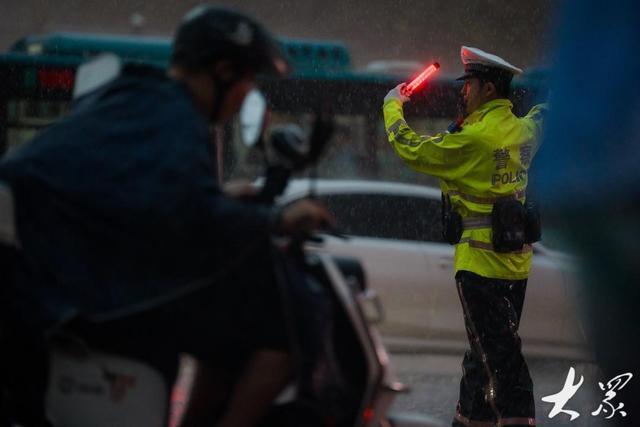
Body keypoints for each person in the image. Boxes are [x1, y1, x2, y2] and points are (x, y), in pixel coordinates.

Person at [0, 6, 333, 427]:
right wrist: (276, 220)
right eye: (247, 80)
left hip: (46, 275)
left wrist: (225, 198)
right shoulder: (172, 117)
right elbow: (187, 215)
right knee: (276, 331)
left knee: (224, 333)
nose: (247, 94)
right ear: (223, 70)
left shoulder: (142, 99)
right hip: (58, 291)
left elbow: (142, 191)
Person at [383, 46, 547, 427]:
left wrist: (392, 105)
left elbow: (410, 147)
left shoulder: (471, 141)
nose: (463, 91)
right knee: (482, 358)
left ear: (488, 89)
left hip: (479, 269)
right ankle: (469, 421)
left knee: (501, 362)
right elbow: (546, 115)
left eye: (469, 84)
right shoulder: (524, 130)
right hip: (516, 266)